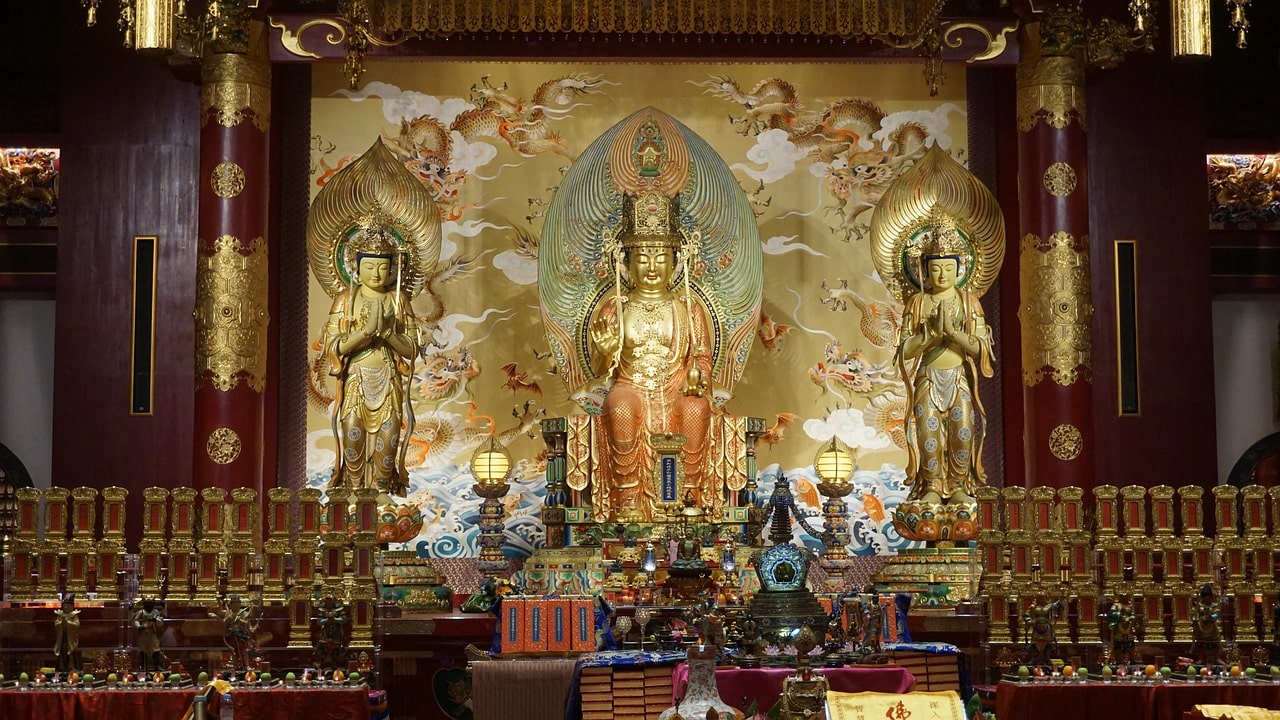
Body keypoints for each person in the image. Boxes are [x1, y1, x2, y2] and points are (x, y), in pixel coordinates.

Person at [588, 190, 715, 522]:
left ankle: (689, 499)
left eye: (661, 257)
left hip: (675, 386)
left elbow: (702, 355)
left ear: (676, 261)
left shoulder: (688, 308)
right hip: (630, 383)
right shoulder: (617, 306)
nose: (652, 266)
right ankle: (628, 500)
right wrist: (605, 353)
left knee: (695, 407)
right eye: (643, 257)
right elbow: (603, 373)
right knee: (621, 405)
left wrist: (696, 376)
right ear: (627, 262)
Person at [896, 218, 994, 507]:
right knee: (928, 432)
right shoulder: (917, 303)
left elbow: (979, 348)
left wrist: (953, 333)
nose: (942, 275)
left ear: (960, 269)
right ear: (924, 270)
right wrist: (930, 335)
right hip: (927, 376)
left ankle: (959, 484)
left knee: (962, 431)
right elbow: (904, 351)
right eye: (935, 268)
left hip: (958, 377)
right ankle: (932, 486)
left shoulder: (968, 302)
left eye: (949, 268)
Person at [322, 221, 421, 497]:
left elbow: (412, 348)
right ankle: (354, 495)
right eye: (369, 266)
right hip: (356, 378)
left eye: (382, 266)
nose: (376, 273)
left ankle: (381, 495)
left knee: (389, 438)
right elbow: (333, 345)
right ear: (356, 267)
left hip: (387, 379)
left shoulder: (399, 300)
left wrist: (388, 333)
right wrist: (364, 333)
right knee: (352, 433)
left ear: (392, 269)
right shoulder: (346, 299)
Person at [132, 597, 166, 671]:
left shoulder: (156, 612)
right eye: (146, 603)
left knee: (155, 649)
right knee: (143, 649)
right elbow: (135, 620)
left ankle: (157, 665)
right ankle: (144, 666)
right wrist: (139, 626)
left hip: (152, 633)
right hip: (143, 633)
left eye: (150, 603)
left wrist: (156, 620)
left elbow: (161, 621)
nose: (148, 605)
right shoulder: (141, 612)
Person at [53, 594, 81, 672]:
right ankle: (60, 669)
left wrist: (69, 623)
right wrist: (61, 622)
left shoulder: (74, 615)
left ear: (72, 607)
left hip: (71, 639)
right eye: (64, 606)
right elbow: (56, 624)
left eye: (68, 606)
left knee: (72, 654)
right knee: (61, 653)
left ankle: (72, 668)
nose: (65, 607)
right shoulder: (60, 614)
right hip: (62, 638)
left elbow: (77, 625)